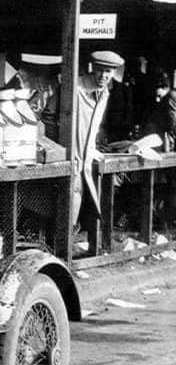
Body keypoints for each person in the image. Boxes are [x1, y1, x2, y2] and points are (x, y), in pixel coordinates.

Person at [72, 50, 123, 233]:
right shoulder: (75, 87)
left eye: (108, 72)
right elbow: (49, 116)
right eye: (100, 70)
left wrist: (91, 148)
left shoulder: (105, 93)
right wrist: (65, 148)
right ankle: (60, 253)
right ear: (93, 68)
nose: (103, 76)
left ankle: (74, 249)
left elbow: (91, 127)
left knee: (82, 203)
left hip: (85, 159)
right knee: (67, 205)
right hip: (71, 157)